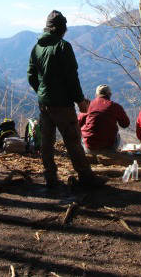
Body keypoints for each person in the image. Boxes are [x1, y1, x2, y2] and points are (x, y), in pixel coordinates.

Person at [27, 10, 106, 188]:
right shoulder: (63, 46)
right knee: (73, 141)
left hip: (44, 103)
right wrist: (80, 100)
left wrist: (41, 91)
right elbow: (72, 78)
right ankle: (86, 177)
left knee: (47, 141)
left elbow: (31, 75)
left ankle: (50, 177)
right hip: (62, 104)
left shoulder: (36, 47)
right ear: (60, 29)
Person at [78, 84, 130, 154]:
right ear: (110, 94)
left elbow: (78, 123)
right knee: (117, 134)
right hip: (109, 148)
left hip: (89, 148)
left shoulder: (88, 105)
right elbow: (125, 124)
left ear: (96, 94)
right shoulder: (115, 106)